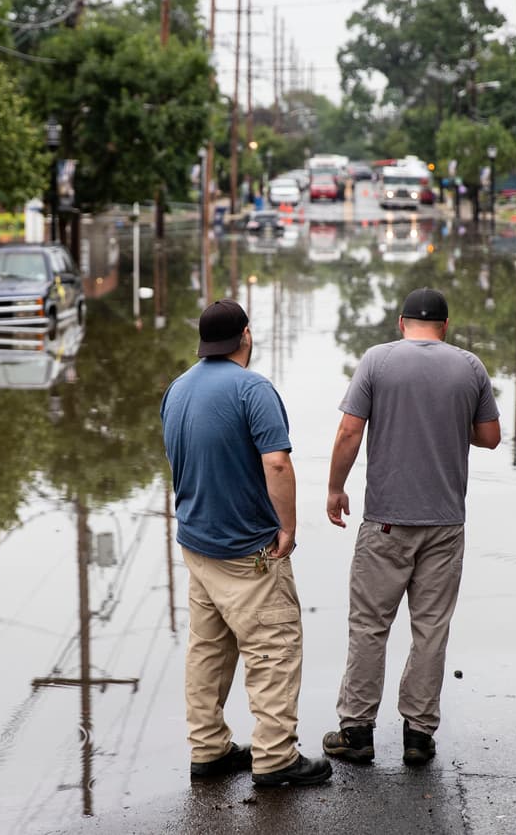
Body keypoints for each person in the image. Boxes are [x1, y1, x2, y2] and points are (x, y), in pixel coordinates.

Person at [322, 287, 501, 766]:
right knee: (431, 630)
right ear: (445, 326)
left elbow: (349, 431)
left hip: (385, 522)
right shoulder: (469, 367)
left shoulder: (377, 361)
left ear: (402, 323)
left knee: (369, 625)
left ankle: (357, 733)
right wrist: (445, 423)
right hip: (445, 523)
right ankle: (418, 736)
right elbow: (490, 437)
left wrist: (335, 488)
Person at [161, 299, 332, 788]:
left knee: (208, 650)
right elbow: (276, 463)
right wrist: (288, 528)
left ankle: (208, 748)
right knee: (273, 647)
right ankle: (276, 758)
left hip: (197, 543)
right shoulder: (253, 390)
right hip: (246, 550)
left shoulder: (178, 388)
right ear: (246, 337)